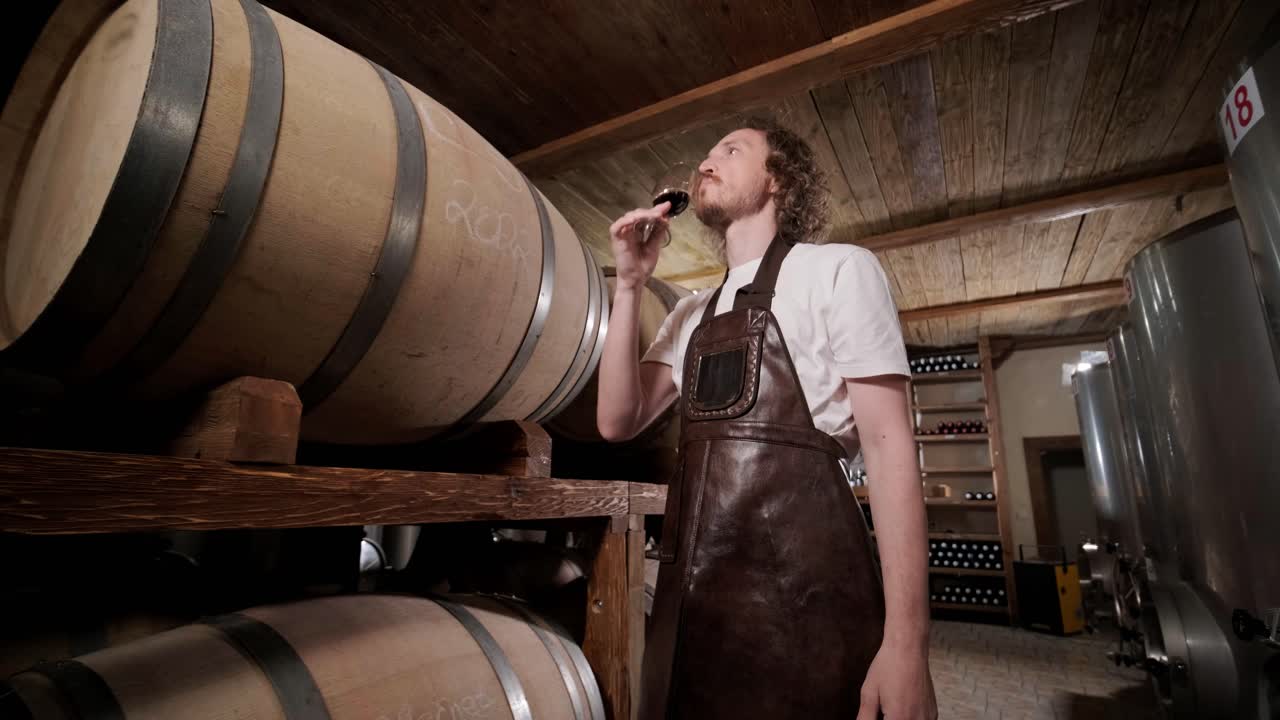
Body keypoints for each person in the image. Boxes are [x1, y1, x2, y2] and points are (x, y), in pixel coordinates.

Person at [597, 116, 936, 720]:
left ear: (778, 177)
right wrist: (629, 285)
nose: (707, 162)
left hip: (808, 617)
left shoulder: (839, 270)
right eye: (706, 152)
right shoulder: (692, 314)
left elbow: (889, 452)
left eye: (730, 149)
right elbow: (616, 420)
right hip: (690, 619)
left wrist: (907, 643)